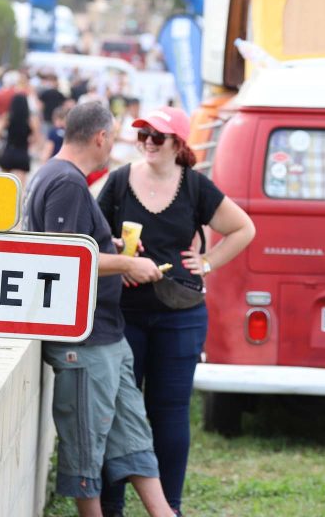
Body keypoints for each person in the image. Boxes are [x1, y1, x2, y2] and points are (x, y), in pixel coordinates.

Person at [97, 107, 255, 515]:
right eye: (143, 133)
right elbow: (90, 238)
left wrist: (208, 262)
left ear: (178, 143)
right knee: (115, 409)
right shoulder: (118, 182)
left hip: (180, 315)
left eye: (158, 136)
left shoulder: (196, 188)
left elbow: (243, 228)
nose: (148, 141)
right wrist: (115, 251)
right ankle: (110, 505)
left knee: (168, 413)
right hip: (125, 314)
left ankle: (170, 507)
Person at [22, 102, 173, 517]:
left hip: (107, 333)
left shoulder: (58, 177)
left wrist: (114, 252)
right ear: (101, 137)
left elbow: (82, 249)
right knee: (86, 446)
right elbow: (64, 257)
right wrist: (127, 263)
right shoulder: (67, 182)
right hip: (84, 343)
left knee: (132, 434)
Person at [0, 91, 35, 185]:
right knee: (21, 187)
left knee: (4, 184)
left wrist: (3, 136)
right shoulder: (30, 119)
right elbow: (35, 138)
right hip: (23, 152)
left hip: (9, 150)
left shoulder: (7, 117)